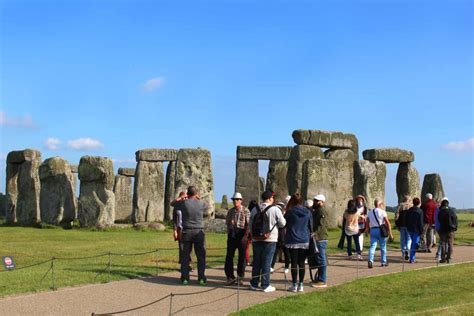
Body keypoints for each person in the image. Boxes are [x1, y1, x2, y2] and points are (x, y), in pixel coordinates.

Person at [249, 190, 286, 293]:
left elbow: (250, 223)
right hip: (270, 238)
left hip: (256, 239)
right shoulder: (275, 209)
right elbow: (282, 223)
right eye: (272, 197)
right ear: (270, 198)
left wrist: (253, 235)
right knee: (266, 262)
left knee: (256, 261)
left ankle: (254, 283)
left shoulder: (255, 209)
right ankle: (265, 285)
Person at [171, 186, 208, 285]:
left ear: (188, 194)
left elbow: (173, 204)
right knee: (201, 256)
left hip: (186, 231)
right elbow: (207, 208)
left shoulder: (182, 203)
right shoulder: (201, 203)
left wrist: (181, 197)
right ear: (196, 194)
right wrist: (198, 198)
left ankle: (185, 278)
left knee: (185, 256)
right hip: (198, 231)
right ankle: (201, 278)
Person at [284, 193, 312, 292]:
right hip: (304, 239)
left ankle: (294, 285)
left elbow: (284, 224)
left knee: (294, 263)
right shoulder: (308, 212)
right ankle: (301, 285)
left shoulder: (290, 212)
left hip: (292, 239)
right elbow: (310, 226)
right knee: (302, 263)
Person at [224, 192, 250, 286]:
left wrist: (246, 237)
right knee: (229, 256)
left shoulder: (246, 211)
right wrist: (230, 230)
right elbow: (227, 224)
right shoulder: (230, 211)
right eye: (234, 200)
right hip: (232, 234)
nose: (235, 201)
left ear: (241, 200)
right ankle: (230, 277)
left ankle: (240, 277)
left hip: (242, 234)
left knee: (242, 257)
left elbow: (248, 225)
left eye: (237, 200)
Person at [366, 198, 394, 268]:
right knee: (383, 247)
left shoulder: (370, 212)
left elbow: (367, 222)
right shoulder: (382, 212)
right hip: (381, 230)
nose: (382, 205)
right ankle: (383, 262)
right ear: (379, 204)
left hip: (373, 230)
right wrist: (390, 234)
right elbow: (387, 223)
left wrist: (367, 230)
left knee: (372, 246)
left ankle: (370, 260)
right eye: (382, 204)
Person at [311, 194, 330, 288]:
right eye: (315, 200)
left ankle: (322, 280)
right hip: (318, 237)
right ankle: (320, 278)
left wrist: (314, 234)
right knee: (319, 259)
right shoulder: (317, 210)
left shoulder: (321, 210)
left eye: (317, 201)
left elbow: (321, 225)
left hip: (320, 238)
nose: (315, 202)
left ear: (322, 202)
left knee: (321, 259)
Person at [172, 191, 193, 272]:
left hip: (188, 228)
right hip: (180, 229)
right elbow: (174, 219)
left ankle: (189, 264)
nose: (185, 199)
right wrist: (174, 230)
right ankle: (183, 265)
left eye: (186, 197)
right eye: (184, 198)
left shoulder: (189, 206)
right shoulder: (177, 206)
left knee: (189, 247)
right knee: (181, 247)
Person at [271, 201, 290, 274]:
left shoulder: (286, 215)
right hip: (277, 236)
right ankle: (271, 267)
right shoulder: (275, 215)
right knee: (275, 253)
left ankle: (287, 266)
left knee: (286, 253)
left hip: (285, 236)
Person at [437, 197, 457, 263]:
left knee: (443, 244)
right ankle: (449, 258)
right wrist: (455, 228)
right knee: (450, 244)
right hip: (451, 229)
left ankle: (443, 258)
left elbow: (439, 220)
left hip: (443, 229)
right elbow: (455, 219)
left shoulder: (441, 212)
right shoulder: (452, 211)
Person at [406, 197, 424, 263]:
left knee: (413, 243)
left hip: (410, 229)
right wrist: (422, 231)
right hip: (416, 230)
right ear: (419, 203)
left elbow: (406, 219)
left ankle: (412, 257)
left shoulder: (409, 210)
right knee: (414, 244)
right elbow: (421, 222)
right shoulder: (420, 211)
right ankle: (412, 259)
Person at [394, 195, 412, 260]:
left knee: (402, 239)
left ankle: (403, 252)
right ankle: (408, 249)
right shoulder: (411, 206)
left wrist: (396, 222)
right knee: (409, 239)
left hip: (402, 224)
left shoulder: (400, 205)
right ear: (409, 200)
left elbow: (397, 215)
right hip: (409, 224)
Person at [245, 200, 259, 266]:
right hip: (255, 231)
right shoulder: (256, 211)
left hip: (248, 231)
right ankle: (254, 261)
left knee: (247, 247)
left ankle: (247, 261)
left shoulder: (247, 211)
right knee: (255, 248)